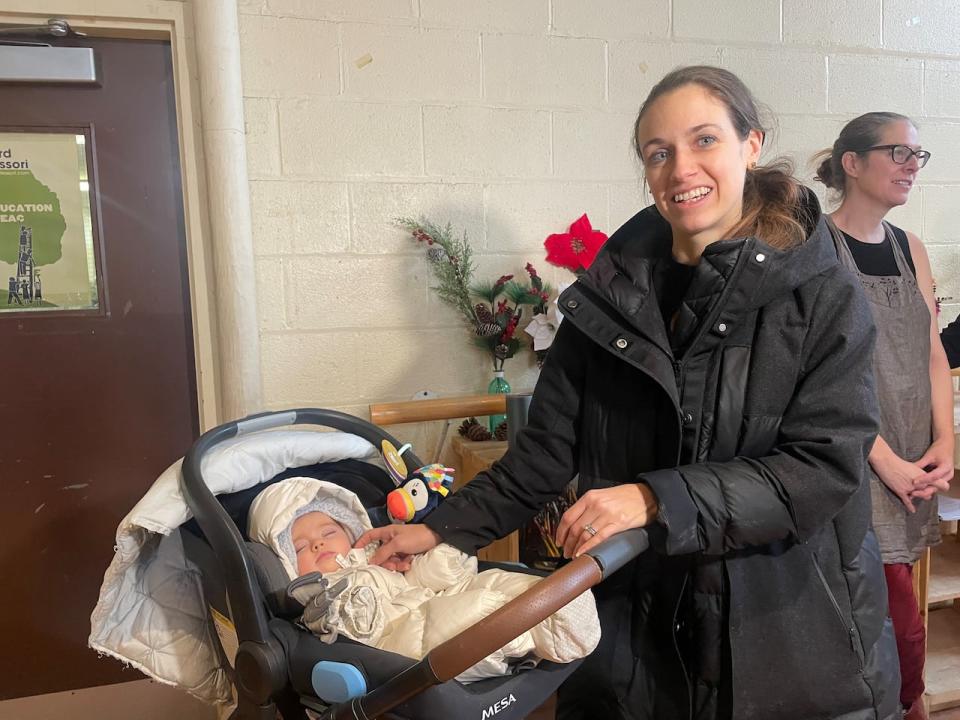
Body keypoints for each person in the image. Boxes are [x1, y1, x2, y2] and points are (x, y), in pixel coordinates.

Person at [356, 66, 901, 720]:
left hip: (782, 637)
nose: (680, 168)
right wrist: (440, 531)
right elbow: (542, 456)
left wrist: (653, 497)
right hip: (637, 640)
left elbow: (822, 469)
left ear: (750, 145)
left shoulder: (822, 295)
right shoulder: (607, 305)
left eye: (704, 141)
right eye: (658, 152)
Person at [814, 112, 953, 720]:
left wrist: (945, 439)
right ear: (852, 162)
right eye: (897, 153)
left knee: (902, 612)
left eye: (917, 156)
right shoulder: (815, 247)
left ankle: (906, 703)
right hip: (851, 460)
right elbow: (811, 378)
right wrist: (886, 462)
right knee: (873, 614)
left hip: (913, 458)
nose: (910, 167)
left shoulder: (910, 248)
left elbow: (930, 352)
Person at [247, 477, 600, 682]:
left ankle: (559, 605)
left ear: (351, 530)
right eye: (303, 547)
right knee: (474, 614)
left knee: (498, 581)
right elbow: (355, 630)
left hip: (427, 598)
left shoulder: (377, 556)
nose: (319, 543)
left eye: (327, 531)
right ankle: (532, 629)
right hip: (394, 637)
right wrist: (350, 608)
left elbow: (423, 580)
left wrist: (443, 555)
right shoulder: (317, 598)